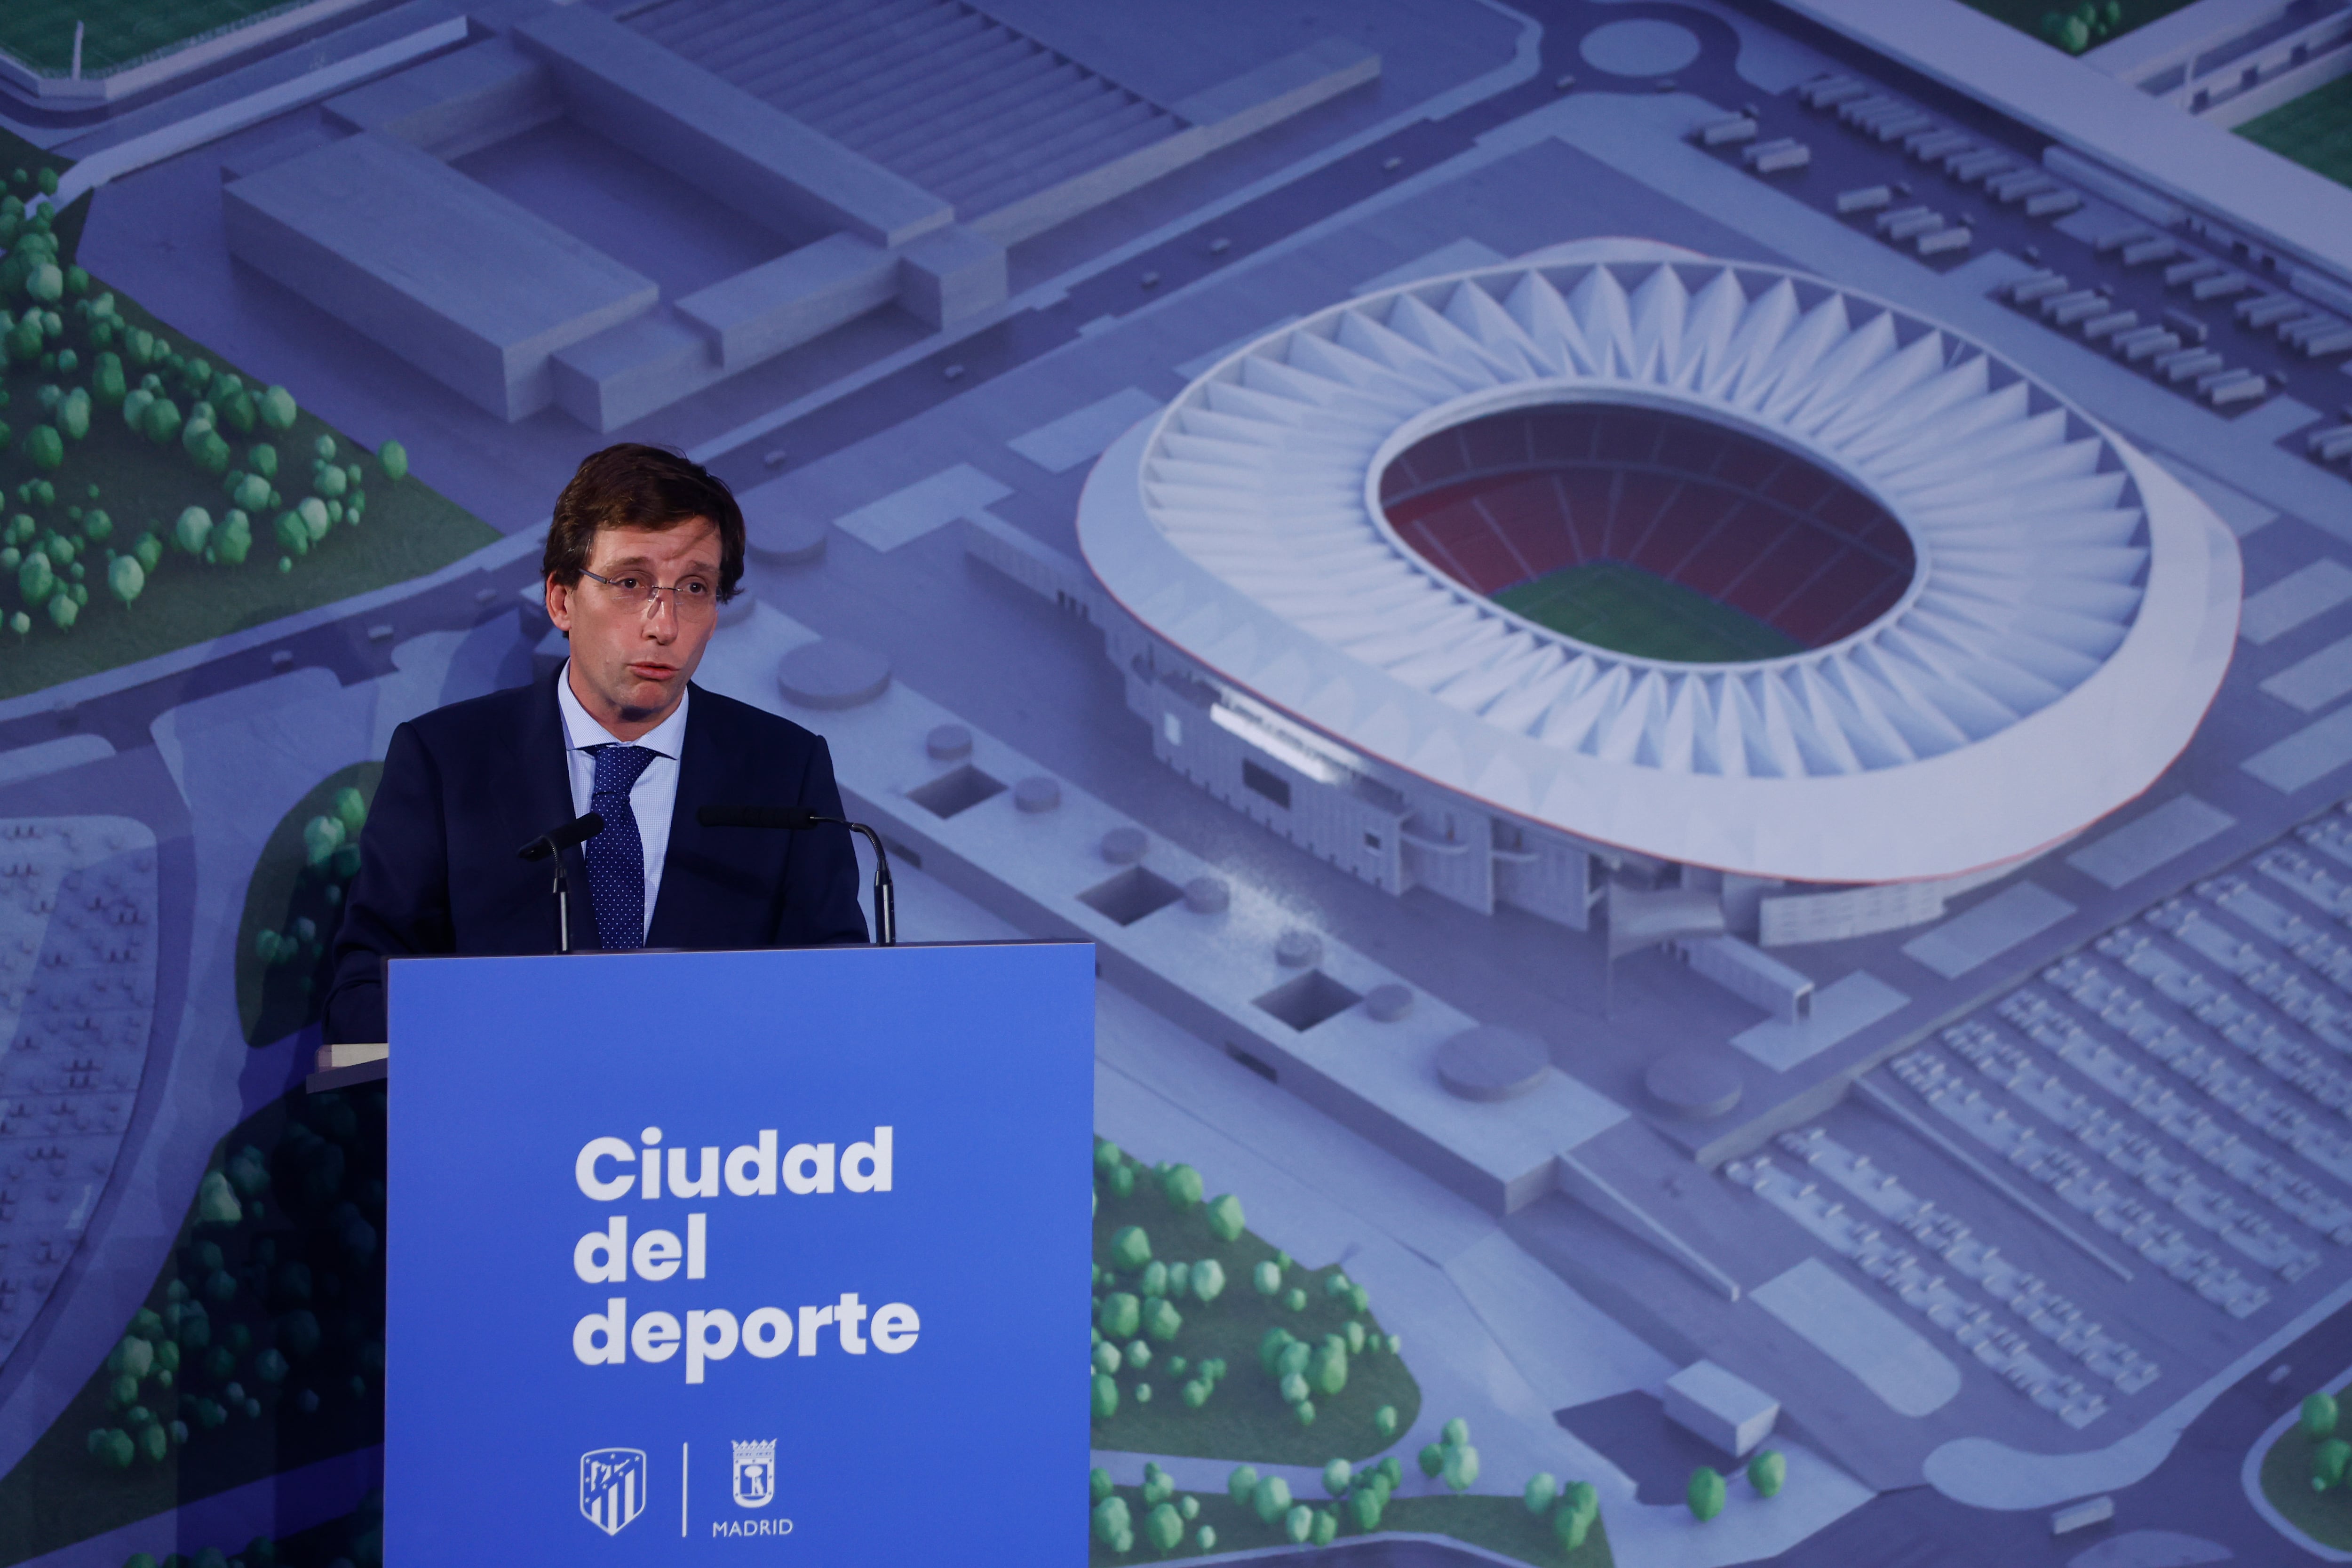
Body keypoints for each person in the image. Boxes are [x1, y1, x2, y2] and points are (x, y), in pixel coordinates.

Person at [324, 443, 867, 1044]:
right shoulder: (446, 762)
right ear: (561, 599)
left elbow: (837, 997)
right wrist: (517, 1032)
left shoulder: (783, 771)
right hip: (513, 1125)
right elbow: (363, 994)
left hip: (717, 1136)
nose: (664, 626)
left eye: (693, 588)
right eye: (632, 582)